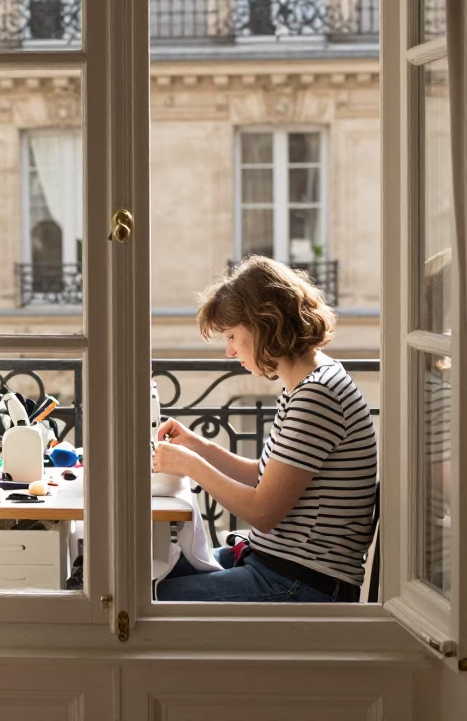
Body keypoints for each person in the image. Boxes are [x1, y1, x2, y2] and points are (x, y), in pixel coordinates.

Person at [153, 256, 378, 603]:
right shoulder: (308, 383)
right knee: (149, 573)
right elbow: (264, 478)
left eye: (232, 336)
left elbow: (263, 512)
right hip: (278, 566)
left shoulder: (318, 395)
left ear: (263, 324)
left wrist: (189, 465)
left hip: (302, 583)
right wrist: (199, 447)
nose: (229, 351)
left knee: (146, 599)